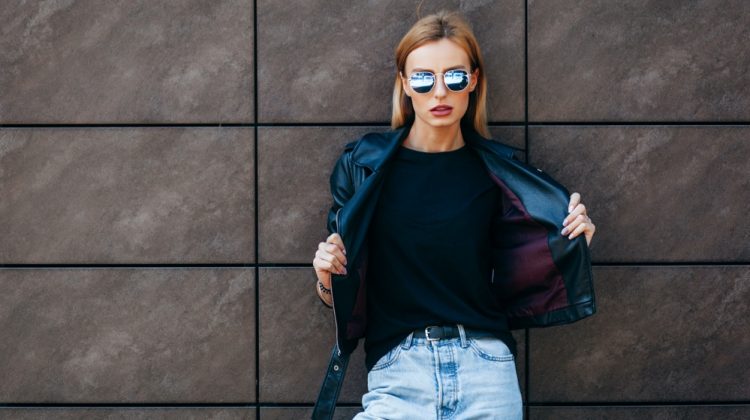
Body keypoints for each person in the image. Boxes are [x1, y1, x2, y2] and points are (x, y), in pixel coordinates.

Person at [311, 10, 596, 420]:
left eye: (455, 77)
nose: (440, 92)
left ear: (473, 81)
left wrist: (572, 243)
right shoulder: (363, 168)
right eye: (424, 78)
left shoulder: (500, 175)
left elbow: (522, 271)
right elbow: (337, 295)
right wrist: (325, 279)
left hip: (487, 372)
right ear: (406, 84)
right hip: (398, 375)